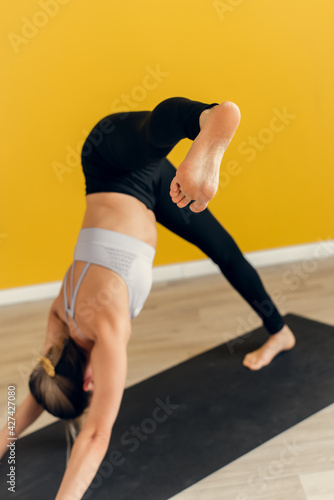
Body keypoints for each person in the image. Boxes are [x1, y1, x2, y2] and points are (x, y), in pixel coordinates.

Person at [0, 96, 296, 499]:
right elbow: (43, 385)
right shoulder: (60, 317)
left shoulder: (107, 332)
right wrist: (3, 441)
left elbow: (96, 437)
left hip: (107, 163)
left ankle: (208, 118)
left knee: (150, 135)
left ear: (89, 380)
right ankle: (280, 332)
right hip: (148, 190)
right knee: (224, 251)